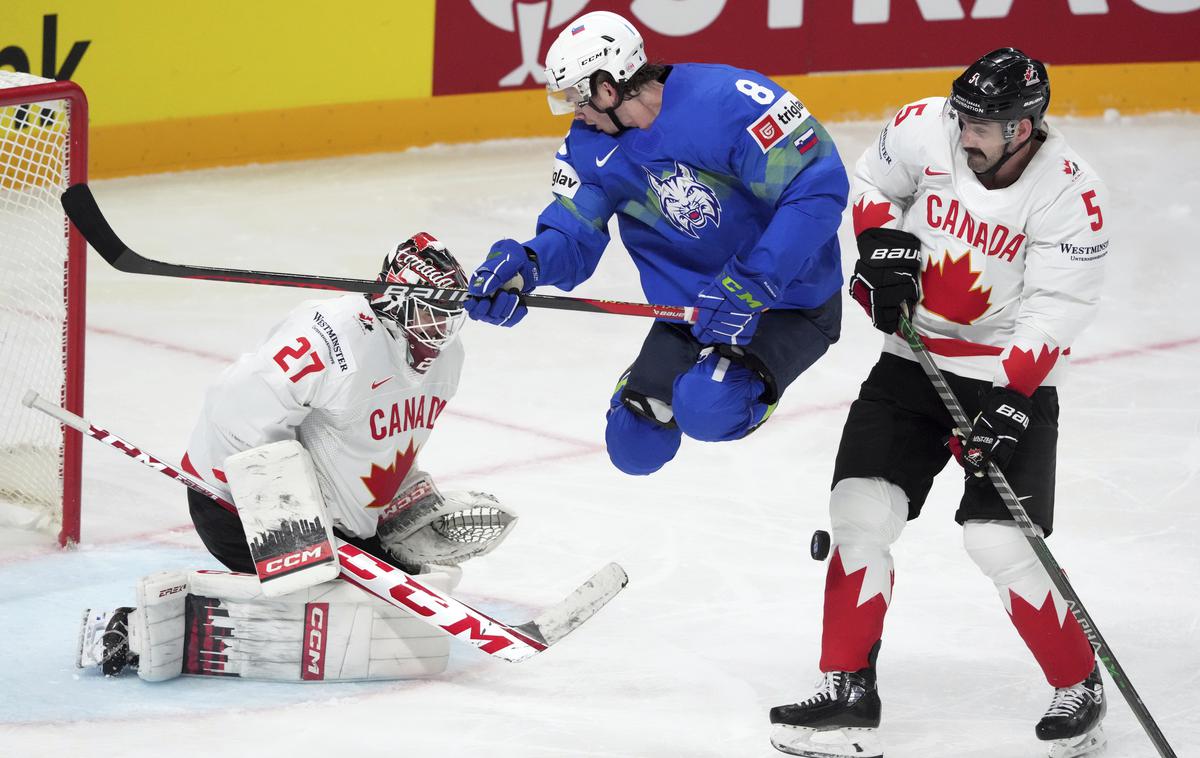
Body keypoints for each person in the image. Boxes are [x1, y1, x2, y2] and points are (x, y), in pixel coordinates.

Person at [768, 49, 1111, 758]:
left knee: (998, 541)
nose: (964, 133)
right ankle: (847, 691)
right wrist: (882, 251)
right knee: (860, 511)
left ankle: (1079, 683)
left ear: (1022, 128)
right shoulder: (926, 126)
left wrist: (1013, 400)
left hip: (1009, 371)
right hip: (912, 360)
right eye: (963, 115)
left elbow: (1056, 307)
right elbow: (872, 182)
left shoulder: (1070, 196)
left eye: (982, 124)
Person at [77, 234, 517, 683]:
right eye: (429, 312)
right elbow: (235, 408)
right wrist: (288, 522)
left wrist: (405, 499)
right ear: (397, 301)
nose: (440, 329)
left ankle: (310, 582)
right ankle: (128, 627)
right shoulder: (334, 336)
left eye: (449, 315)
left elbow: (382, 443)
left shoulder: (448, 360)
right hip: (236, 503)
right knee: (324, 610)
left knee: (392, 605)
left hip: (335, 524)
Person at [465, 10, 846, 475]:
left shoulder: (729, 102)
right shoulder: (587, 145)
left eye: (576, 97)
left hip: (788, 301)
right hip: (690, 312)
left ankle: (743, 386)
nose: (574, 112)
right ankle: (671, 375)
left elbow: (816, 186)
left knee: (707, 406)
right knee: (634, 444)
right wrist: (529, 264)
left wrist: (755, 279)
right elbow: (574, 233)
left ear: (608, 87)